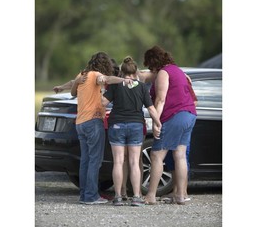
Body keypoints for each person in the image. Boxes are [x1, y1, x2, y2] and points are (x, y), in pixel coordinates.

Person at [69, 52, 134, 205]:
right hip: (93, 121)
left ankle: (84, 195)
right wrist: (124, 80)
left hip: (80, 123)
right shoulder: (96, 75)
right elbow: (106, 79)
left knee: (85, 160)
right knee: (94, 161)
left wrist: (77, 81)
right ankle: (91, 196)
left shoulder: (82, 74)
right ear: (104, 64)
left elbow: (72, 93)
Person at [101, 56, 162, 206]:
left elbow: (103, 102)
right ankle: (136, 196)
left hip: (116, 125)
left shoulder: (115, 85)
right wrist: (158, 123)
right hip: (135, 125)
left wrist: (102, 90)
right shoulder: (141, 87)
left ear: (121, 72)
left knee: (118, 161)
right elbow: (151, 108)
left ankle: (118, 196)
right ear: (135, 72)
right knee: (135, 162)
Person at [142, 46, 197, 205]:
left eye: (150, 65)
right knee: (179, 154)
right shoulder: (177, 70)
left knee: (156, 155)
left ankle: (150, 195)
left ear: (153, 62)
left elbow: (160, 100)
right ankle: (180, 195)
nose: (150, 69)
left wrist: (156, 122)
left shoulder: (163, 73)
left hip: (175, 115)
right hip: (189, 114)